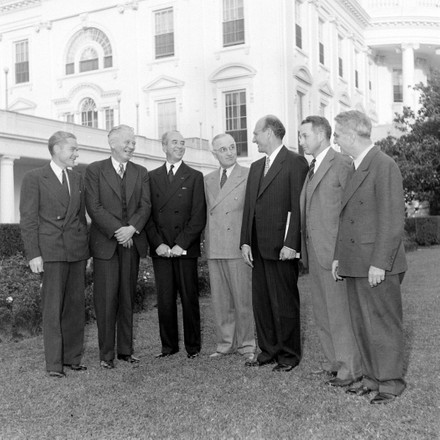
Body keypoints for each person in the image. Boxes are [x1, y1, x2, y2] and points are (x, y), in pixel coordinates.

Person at [331, 110, 408, 404]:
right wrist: (339, 256)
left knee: (383, 323)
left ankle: (390, 382)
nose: (335, 140)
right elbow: (346, 217)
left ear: (351, 135)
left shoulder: (383, 164)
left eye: (337, 134)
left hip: (376, 264)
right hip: (354, 262)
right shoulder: (354, 167)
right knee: (362, 323)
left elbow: (392, 219)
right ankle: (371, 378)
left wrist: (380, 263)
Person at [240, 115, 308, 372]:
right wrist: (245, 242)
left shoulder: (294, 162)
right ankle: (267, 351)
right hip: (257, 248)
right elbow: (249, 207)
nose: (253, 138)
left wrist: (292, 244)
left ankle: (289, 355)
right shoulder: (257, 166)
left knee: (284, 302)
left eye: (256, 133)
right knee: (263, 302)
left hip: (282, 248)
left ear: (269, 133)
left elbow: (297, 206)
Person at [19, 131, 89, 378]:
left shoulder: (78, 178)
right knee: (53, 309)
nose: (76, 153)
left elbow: (80, 218)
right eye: (73, 149)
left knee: (75, 306)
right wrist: (33, 254)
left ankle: (72, 357)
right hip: (51, 252)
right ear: (57, 149)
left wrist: (85, 251)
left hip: (76, 251)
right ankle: (54, 363)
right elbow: (28, 220)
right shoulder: (34, 177)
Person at [299, 116, 361, 386]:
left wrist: (342, 253)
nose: (300, 141)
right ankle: (334, 363)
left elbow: (352, 212)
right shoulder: (311, 167)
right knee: (323, 312)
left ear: (322, 135)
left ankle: (350, 368)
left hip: (335, 254)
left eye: (304, 135)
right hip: (315, 253)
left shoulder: (342, 164)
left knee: (339, 314)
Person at [85, 124, 151, 369]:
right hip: (106, 246)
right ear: (112, 143)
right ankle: (106, 355)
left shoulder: (141, 171)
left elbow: (145, 206)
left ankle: (125, 350)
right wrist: (118, 231)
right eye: (127, 142)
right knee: (105, 300)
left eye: (133, 143)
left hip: (130, 244)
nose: (131, 146)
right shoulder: (94, 171)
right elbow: (94, 207)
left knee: (126, 298)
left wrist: (131, 228)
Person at [146, 130, 206, 359]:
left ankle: (193, 347)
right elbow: (147, 215)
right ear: (164, 146)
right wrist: (158, 243)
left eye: (182, 143)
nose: (180, 146)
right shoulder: (151, 177)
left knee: (189, 298)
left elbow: (198, 215)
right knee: (165, 299)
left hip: (185, 248)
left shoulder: (194, 176)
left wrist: (181, 244)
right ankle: (168, 346)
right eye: (175, 143)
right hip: (161, 249)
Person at [204, 133, 256, 361]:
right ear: (214, 154)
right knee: (221, 300)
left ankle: (247, 344)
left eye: (232, 147)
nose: (229, 152)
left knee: (242, 299)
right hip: (215, 245)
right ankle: (225, 343)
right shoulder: (207, 179)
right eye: (223, 149)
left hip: (237, 245)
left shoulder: (249, 174)